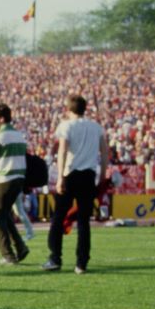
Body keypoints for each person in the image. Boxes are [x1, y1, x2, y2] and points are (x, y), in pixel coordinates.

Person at [43, 95, 109, 275]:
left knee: (58, 217)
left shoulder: (66, 126)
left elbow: (63, 150)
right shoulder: (96, 127)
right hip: (88, 175)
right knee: (83, 221)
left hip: (70, 173)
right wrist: (102, 175)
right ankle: (81, 263)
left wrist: (60, 177)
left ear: (68, 109)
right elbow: (104, 153)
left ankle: (55, 257)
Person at [0, 103, 31, 265]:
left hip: (4, 178)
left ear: (1, 119)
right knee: (5, 215)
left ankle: (8, 255)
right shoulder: (19, 134)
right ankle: (21, 247)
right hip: (19, 177)